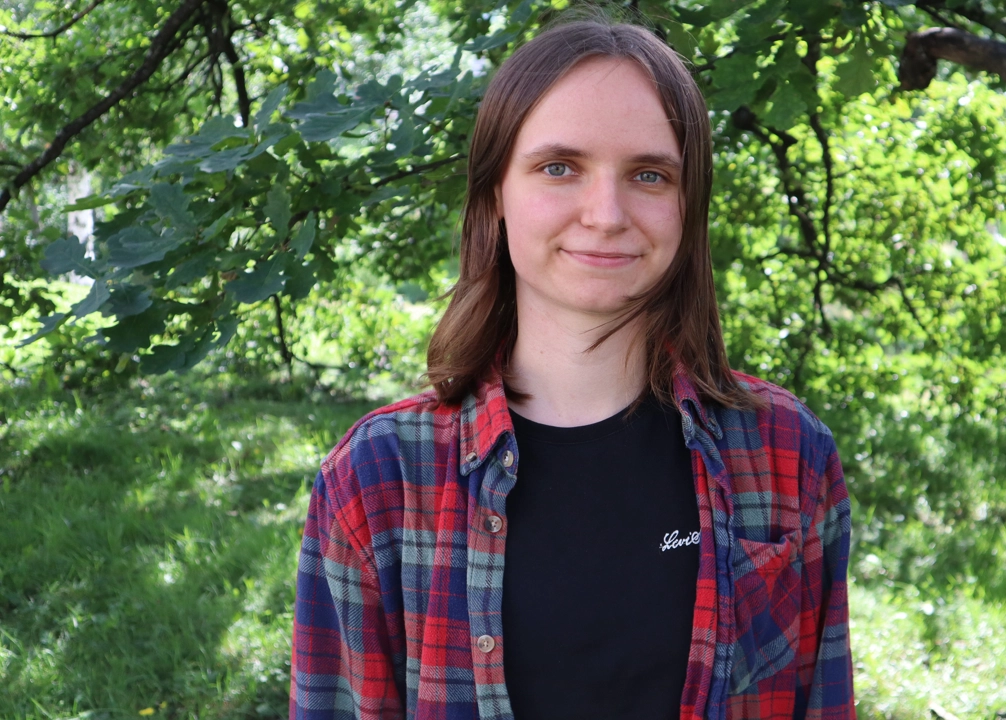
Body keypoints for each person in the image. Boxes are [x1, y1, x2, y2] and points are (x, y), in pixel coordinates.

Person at [290, 17, 855, 720]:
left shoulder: (787, 454)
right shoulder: (376, 479)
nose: (606, 213)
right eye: (560, 167)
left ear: (689, 206)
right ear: (497, 193)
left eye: (649, 174)